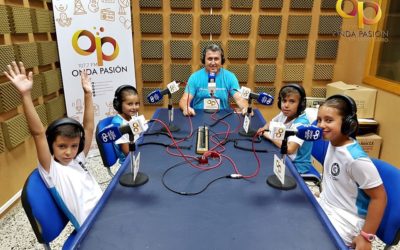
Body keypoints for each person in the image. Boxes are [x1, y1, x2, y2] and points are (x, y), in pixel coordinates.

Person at [4, 61, 102, 229]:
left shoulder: (78, 159)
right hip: (91, 228)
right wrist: (25, 95)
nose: (69, 152)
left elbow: (88, 127)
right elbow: (38, 133)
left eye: (74, 146)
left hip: (105, 210)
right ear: (51, 146)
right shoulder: (51, 170)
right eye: (62, 146)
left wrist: (88, 94)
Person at [316, 94, 387, 249]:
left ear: (348, 124)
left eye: (328, 120)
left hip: (347, 220)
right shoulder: (332, 142)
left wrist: (366, 237)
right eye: (319, 120)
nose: (321, 125)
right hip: (327, 206)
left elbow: (380, 198)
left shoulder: (356, 159)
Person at [258, 84, 317, 179]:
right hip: (283, 158)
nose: (286, 105)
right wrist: (264, 128)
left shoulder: (301, 124)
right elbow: (271, 123)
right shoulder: (284, 113)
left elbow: (289, 149)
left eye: (292, 101)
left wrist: (268, 135)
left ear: (301, 104)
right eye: (284, 101)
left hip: (296, 166)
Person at [179, 43, 247, 116]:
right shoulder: (195, 77)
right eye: (209, 59)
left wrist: (245, 108)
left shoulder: (230, 77)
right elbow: (184, 99)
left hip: (222, 116)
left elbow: (239, 98)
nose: (213, 62)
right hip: (199, 116)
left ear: (222, 60)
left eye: (216, 59)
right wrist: (186, 108)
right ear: (204, 60)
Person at [111, 84, 140, 164]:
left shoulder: (132, 117)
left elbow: (140, 135)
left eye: (137, 103)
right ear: (119, 104)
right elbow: (128, 153)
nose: (134, 107)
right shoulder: (118, 124)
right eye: (130, 104)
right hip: (128, 162)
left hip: (138, 151)